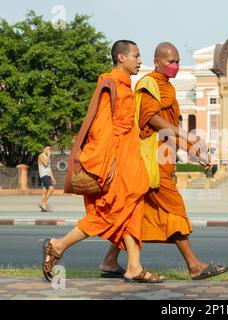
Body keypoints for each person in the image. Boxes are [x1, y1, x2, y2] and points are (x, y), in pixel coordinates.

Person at [100, 42, 228, 280]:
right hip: (152, 164)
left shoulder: (167, 88)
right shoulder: (149, 84)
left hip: (163, 161)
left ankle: (110, 260)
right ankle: (194, 265)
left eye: (178, 61)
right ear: (157, 61)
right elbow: (152, 120)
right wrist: (188, 137)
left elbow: (169, 129)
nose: (175, 66)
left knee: (137, 215)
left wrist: (192, 151)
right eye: (170, 61)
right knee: (175, 209)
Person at [41, 40, 162, 283]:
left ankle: (133, 267)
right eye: (136, 56)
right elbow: (102, 128)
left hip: (130, 160)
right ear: (121, 57)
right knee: (109, 213)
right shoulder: (110, 84)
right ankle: (58, 245)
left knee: (132, 209)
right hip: (117, 161)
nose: (139, 61)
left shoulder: (126, 85)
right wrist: (109, 162)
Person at [38, 146, 56, 212]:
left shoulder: (48, 158)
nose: (48, 150)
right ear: (44, 149)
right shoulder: (41, 156)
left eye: (49, 149)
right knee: (51, 188)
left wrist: (52, 178)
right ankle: (43, 203)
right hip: (44, 174)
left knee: (45, 190)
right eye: (47, 149)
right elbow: (45, 164)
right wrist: (48, 156)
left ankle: (43, 207)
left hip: (48, 175)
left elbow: (49, 168)